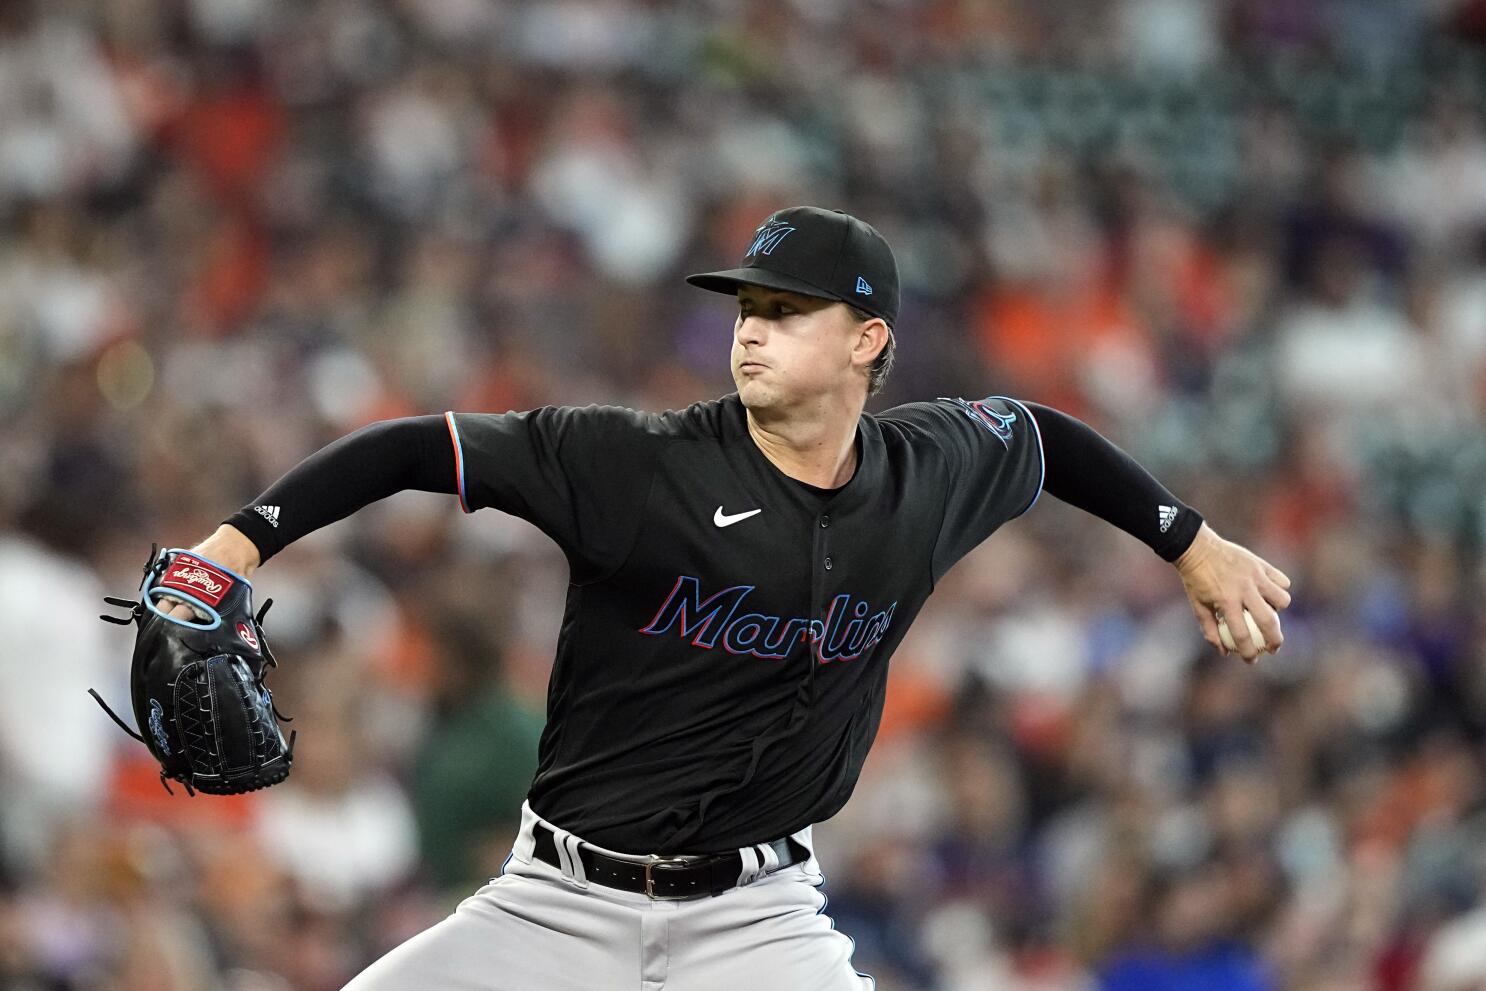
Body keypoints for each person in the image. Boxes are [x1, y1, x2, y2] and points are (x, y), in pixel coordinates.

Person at [165, 207, 1291, 989]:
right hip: (558, 903)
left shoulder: (927, 472)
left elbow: (1043, 437)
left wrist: (1187, 541)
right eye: (747, 303)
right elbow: (421, 447)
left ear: (867, 340)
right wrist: (236, 545)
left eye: (787, 309)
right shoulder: (638, 464)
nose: (750, 326)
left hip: (756, 920)